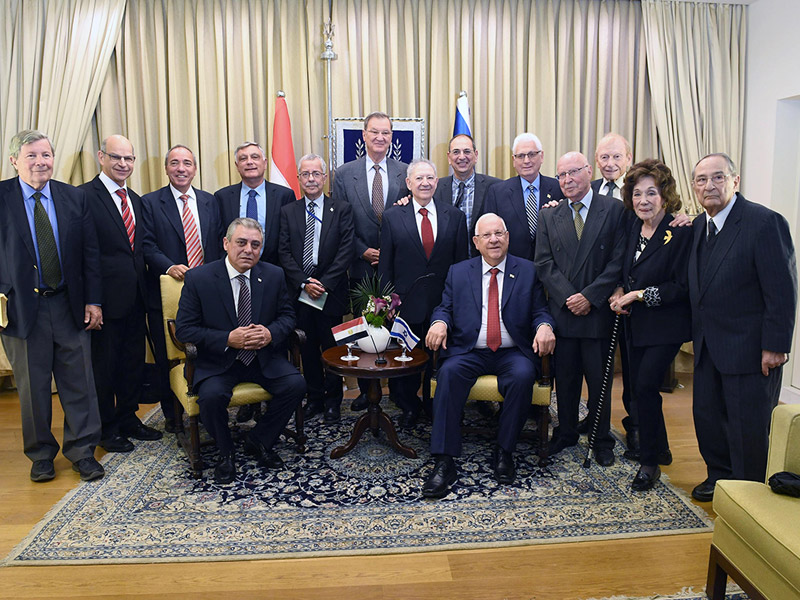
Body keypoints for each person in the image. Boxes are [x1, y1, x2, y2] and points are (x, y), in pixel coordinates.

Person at [688, 153, 797, 502]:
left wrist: (776, 345)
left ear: (735, 181)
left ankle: (748, 494)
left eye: (718, 178)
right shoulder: (698, 227)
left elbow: (782, 290)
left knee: (747, 426)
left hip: (749, 349)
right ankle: (718, 477)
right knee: (707, 417)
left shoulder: (764, 223)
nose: (710, 186)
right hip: (707, 346)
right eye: (702, 180)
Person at [422, 213, 555, 498]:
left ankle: (504, 450)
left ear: (507, 237)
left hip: (512, 351)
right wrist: (439, 323)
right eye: (487, 235)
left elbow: (540, 310)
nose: (494, 239)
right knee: (448, 374)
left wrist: (545, 326)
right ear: (476, 242)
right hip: (470, 350)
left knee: (522, 377)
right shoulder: (459, 271)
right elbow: (444, 307)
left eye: (499, 233)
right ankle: (444, 461)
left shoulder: (528, 270)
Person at [0, 129, 105, 482]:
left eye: (45, 155)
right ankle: (41, 454)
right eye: (31, 155)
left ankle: (82, 451)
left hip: (68, 305)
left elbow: (90, 253)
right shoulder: (1, 197)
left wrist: (93, 300)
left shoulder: (73, 198)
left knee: (79, 382)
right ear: (14, 160)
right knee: (32, 387)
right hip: (20, 309)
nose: (40, 162)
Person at [175, 218, 306, 484]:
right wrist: (227, 338)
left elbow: (287, 317)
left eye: (255, 245)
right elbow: (185, 330)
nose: (248, 249)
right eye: (241, 242)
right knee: (211, 398)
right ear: (226, 244)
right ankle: (226, 453)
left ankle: (259, 440)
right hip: (219, 360)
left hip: (262, 357)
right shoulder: (199, 278)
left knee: (296, 384)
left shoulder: (273, 274)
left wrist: (270, 333)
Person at [535, 151, 626, 467]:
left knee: (600, 380)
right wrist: (570, 296)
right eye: (561, 175)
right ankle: (567, 431)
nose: (567, 180)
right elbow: (543, 263)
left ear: (589, 171)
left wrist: (589, 296)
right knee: (567, 378)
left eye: (573, 172)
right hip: (563, 312)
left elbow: (619, 261)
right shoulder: (549, 215)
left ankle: (601, 439)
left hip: (598, 312)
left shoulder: (613, 210)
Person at [608, 159, 691, 491]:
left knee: (644, 387)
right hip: (634, 325)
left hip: (665, 325)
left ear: (665, 195)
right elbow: (625, 271)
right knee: (639, 389)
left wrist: (637, 295)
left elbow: (680, 286)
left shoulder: (680, 230)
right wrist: (618, 291)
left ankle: (649, 462)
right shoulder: (632, 226)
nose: (644, 200)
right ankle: (662, 448)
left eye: (652, 193)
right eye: (638, 193)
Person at [81, 135, 162, 453]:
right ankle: (107, 428)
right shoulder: (84, 197)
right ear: (101, 157)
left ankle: (128, 418)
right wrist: (92, 300)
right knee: (105, 368)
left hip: (136, 298)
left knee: (131, 363)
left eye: (129, 159)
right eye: (116, 157)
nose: (123, 164)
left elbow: (138, 251)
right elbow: (83, 255)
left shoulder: (136, 200)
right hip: (103, 302)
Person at [378, 159, 469, 427]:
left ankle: (435, 406)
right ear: (409, 183)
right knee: (406, 360)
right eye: (419, 179)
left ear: (437, 182)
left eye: (430, 178)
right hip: (405, 305)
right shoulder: (393, 217)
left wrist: (459, 305)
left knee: (439, 360)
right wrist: (388, 302)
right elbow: (386, 266)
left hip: (443, 305)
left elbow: (462, 265)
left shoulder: (455, 216)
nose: (425, 183)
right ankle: (408, 406)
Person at [140, 145, 224, 432]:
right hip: (169, 290)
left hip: (208, 291)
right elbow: (146, 245)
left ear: (195, 168)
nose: (181, 168)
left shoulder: (210, 201)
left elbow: (217, 243)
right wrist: (168, 266)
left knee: (209, 346)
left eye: (187, 163)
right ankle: (173, 415)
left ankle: (210, 405)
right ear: (166, 168)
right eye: (174, 163)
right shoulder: (150, 203)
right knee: (169, 355)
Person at [331, 112, 409, 411]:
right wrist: (361, 250)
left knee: (396, 328)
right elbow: (339, 222)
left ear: (392, 137)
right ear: (363, 135)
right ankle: (367, 389)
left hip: (397, 267)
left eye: (386, 133)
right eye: (374, 132)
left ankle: (401, 391)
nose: (380, 137)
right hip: (360, 265)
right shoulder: (343, 173)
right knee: (363, 329)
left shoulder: (406, 172)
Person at [278, 154, 354, 424]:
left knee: (332, 348)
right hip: (300, 294)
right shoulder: (288, 211)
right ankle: (314, 399)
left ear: (325, 178)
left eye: (316, 174)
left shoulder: (342, 209)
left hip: (330, 293)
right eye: (305, 174)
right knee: (307, 347)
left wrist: (324, 283)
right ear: (298, 179)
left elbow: (345, 251)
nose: (311, 179)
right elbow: (283, 252)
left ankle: (334, 402)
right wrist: (304, 282)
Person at [481, 133, 562, 260]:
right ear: (514, 161)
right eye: (520, 156)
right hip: (514, 269)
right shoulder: (497, 192)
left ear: (541, 156)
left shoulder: (559, 188)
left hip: (552, 266)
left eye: (531, 154)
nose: (526, 161)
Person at [215, 142, 295, 266]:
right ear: (237, 166)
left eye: (255, 157)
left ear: (265, 163)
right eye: (243, 159)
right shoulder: (222, 197)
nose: (249, 162)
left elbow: (289, 238)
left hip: (274, 270)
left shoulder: (284, 195)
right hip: (233, 269)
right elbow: (218, 237)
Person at [432, 134, 500, 254]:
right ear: (449, 157)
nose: (462, 157)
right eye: (456, 152)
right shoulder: (435, 188)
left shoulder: (495, 187)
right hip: (447, 263)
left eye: (467, 151)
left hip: (483, 261)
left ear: (476, 155)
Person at [591, 133, 633, 199]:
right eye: (604, 157)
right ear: (597, 161)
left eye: (617, 157)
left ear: (628, 159)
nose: (610, 164)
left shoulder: (636, 189)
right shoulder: (588, 191)